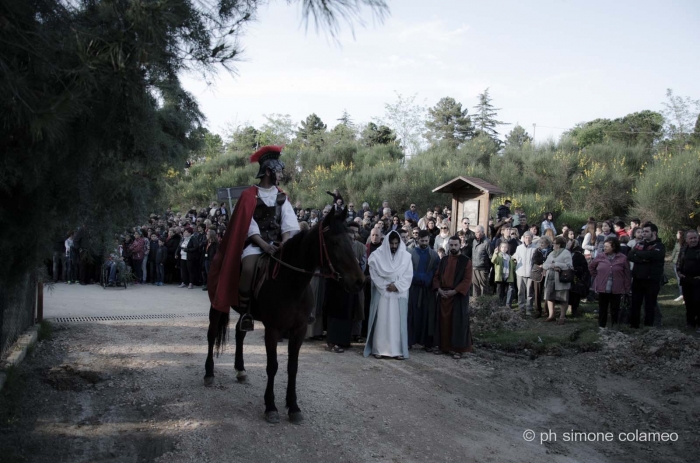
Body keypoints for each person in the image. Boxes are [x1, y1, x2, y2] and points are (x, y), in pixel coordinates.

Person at [207, 145, 300, 324]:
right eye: (278, 172)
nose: (281, 175)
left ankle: (299, 310)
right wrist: (264, 245)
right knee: (248, 268)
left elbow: (289, 224)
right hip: (255, 245)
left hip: (278, 245)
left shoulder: (282, 197)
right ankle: (245, 312)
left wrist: (285, 243)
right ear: (267, 172)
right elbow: (248, 225)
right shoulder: (249, 195)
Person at [364, 231, 413, 360]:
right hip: (383, 293)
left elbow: (408, 275)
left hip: (398, 293)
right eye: (392, 243)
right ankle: (379, 349)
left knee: (397, 323)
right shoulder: (376, 256)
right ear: (387, 243)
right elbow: (374, 274)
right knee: (382, 320)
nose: (394, 246)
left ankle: (397, 350)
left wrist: (396, 286)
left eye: (396, 243)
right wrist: (386, 286)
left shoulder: (406, 256)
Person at [432, 236, 474, 358]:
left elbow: (467, 280)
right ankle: (443, 347)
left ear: (460, 245)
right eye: (451, 245)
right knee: (443, 323)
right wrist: (439, 289)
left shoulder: (466, 261)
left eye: (456, 245)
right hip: (443, 295)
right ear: (448, 246)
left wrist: (454, 291)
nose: (453, 247)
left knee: (457, 322)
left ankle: (458, 349)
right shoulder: (444, 260)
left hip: (457, 297)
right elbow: (436, 276)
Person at [627, 222, 665, 328]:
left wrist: (639, 255)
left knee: (649, 305)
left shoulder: (659, 245)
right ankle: (634, 326)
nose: (644, 233)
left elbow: (654, 255)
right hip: (638, 278)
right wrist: (644, 259)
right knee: (635, 304)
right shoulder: (640, 244)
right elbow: (630, 255)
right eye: (643, 231)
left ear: (654, 232)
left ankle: (648, 327)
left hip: (651, 280)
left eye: (646, 231)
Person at [589, 237, 632, 329]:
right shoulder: (600, 256)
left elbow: (627, 274)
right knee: (602, 308)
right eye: (604, 246)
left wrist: (627, 288)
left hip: (617, 287)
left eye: (607, 246)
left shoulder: (623, 258)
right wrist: (597, 276)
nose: (605, 248)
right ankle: (601, 326)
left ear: (614, 247)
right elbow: (591, 267)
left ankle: (615, 325)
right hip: (602, 287)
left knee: (615, 308)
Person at [407, 230, 440, 349]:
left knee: (427, 315)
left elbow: (436, 270)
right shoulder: (410, 253)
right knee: (411, 314)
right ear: (418, 240)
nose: (424, 243)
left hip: (427, 289)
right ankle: (409, 341)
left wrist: (428, 278)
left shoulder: (434, 255)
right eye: (422, 240)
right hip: (413, 288)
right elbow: (407, 269)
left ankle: (427, 342)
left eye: (426, 240)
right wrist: (418, 277)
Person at [542, 236, 572, 324]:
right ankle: (551, 315)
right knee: (550, 296)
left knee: (562, 298)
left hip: (561, 279)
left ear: (559, 245)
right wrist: (551, 266)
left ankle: (562, 317)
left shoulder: (566, 253)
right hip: (550, 277)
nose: (553, 245)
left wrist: (557, 265)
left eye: (554, 244)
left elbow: (569, 265)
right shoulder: (552, 253)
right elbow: (545, 265)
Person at [676, 230, 700, 330]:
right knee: (689, 302)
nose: (693, 240)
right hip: (686, 280)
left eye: (695, 238)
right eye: (691, 238)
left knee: (698, 302)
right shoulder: (683, 249)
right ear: (686, 239)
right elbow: (678, 263)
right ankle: (690, 323)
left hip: (698, 280)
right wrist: (679, 272)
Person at [514, 231, 538, 316]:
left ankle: (529, 309)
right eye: (526, 237)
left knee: (529, 292)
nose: (527, 239)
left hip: (530, 273)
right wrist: (514, 259)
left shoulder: (535, 248)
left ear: (532, 238)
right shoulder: (519, 247)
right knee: (520, 291)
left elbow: (536, 261)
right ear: (523, 238)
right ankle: (521, 308)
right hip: (520, 272)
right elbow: (515, 256)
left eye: (529, 237)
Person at [566, 239, 590, 318]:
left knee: (575, 294)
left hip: (576, 277)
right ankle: (567, 309)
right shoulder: (565, 253)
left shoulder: (579, 255)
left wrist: (575, 268)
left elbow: (584, 268)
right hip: (566, 276)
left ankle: (574, 311)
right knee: (568, 294)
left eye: (569, 243)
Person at [492, 242, 515, 306]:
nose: (504, 249)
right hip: (500, 276)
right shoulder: (498, 255)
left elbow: (513, 266)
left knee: (507, 291)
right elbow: (493, 261)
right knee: (499, 291)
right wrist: (495, 253)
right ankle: (499, 304)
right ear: (500, 248)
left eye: (505, 247)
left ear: (507, 249)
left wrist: (515, 262)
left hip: (508, 276)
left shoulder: (510, 257)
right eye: (502, 247)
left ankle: (506, 304)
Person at [471, 225, 492, 296]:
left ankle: (483, 304)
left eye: (478, 232)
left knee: (483, 287)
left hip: (483, 269)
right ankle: (475, 304)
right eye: (475, 232)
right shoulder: (474, 241)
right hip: (474, 268)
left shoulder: (487, 242)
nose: (476, 234)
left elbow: (491, 256)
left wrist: (488, 268)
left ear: (483, 232)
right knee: (475, 286)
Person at [670, 230, 685, 302]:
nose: (676, 234)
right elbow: (674, 252)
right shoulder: (677, 242)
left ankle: (684, 295)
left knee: (682, 279)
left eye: (677, 233)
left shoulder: (683, 244)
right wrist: (671, 259)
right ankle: (681, 294)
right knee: (679, 280)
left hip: (681, 263)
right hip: (675, 262)